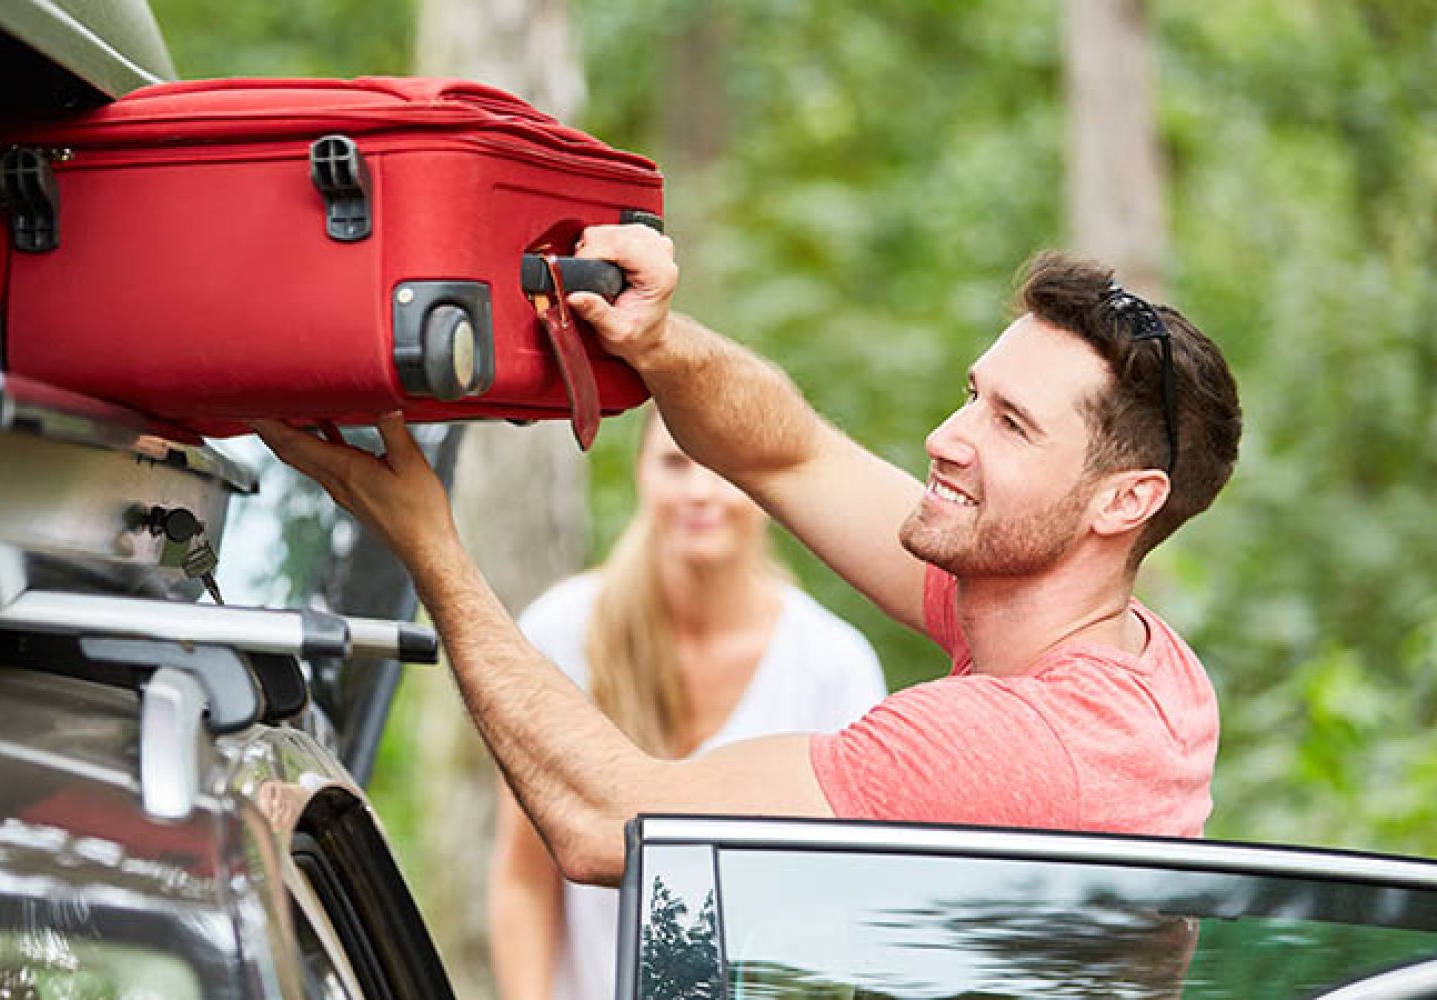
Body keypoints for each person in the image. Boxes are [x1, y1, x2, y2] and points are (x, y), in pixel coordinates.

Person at [253, 225, 1242, 888]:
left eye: (1011, 425)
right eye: (971, 392)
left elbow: (611, 823)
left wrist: (430, 546)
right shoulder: (1125, 651)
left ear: (1126, 501)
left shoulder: (1024, 747)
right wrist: (656, 339)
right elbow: (791, 451)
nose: (947, 435)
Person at [490, 405, 885, 1000]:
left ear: (765, 485)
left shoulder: (833, 666)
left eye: (725, 468)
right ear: (640, 472)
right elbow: (524, 878)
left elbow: (848, 909)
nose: (701, 491)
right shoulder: (560, 633)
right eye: (676, 464)